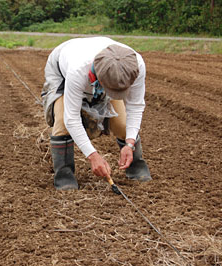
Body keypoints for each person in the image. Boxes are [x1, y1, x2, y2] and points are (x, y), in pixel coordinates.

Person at [41, 37, 152, 190]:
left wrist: (129, 144)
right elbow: (71, 118)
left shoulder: (136, 65)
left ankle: (136, 165)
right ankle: (64, 174)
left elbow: (135, 105)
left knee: (122, 124)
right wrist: (93, 156)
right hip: (62, 68)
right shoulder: (77, 69)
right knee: (62, 121)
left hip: (105, 71)